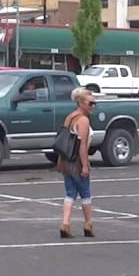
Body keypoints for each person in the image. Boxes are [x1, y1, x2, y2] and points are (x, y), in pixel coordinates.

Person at [58, 88, 95, 238]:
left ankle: (65, 224)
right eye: (90, 103)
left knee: (70, 193)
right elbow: (83, 145)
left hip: (66, 159)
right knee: (85, 193)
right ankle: (88, 224)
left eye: (94, 103)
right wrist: (85, 165)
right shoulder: (83, 120)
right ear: (81, 103)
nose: (93, 106)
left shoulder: (70, 117)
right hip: (77, 161)